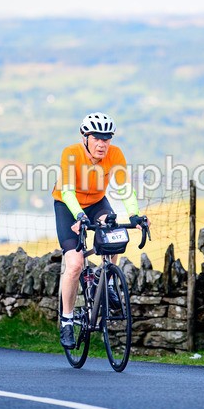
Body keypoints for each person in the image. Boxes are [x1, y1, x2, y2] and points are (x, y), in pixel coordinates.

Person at [52, 113, 149, 349]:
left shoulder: (115, 154)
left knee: (112, 228)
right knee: (74, 264)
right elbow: (66, 191)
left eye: (107, 138)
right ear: (85, 137)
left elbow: (124, 187)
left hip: (96, 202)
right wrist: (79, 216)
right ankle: (66, 320)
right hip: (68, 205)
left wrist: (135, 214)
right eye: (97, 138)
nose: (102, 144)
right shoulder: (71, 153)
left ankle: (103, 280)